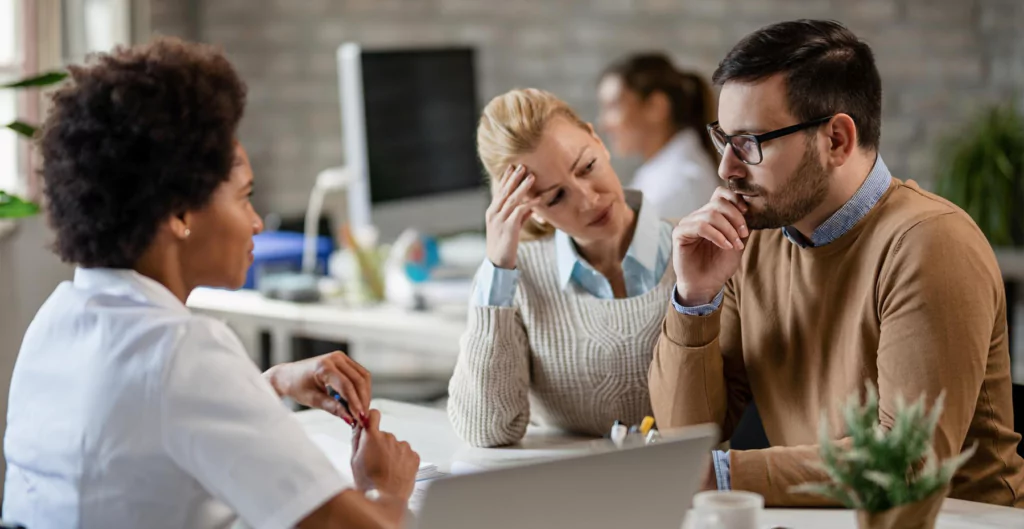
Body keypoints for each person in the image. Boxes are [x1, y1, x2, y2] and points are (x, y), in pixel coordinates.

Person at [2, 38, 421, 529]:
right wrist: (380, 485)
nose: (257, 224)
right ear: (180, 212)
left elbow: (147, 430)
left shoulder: (58, 320)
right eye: (244, 197)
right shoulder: (182, 350)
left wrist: (269, 385)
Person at [649, 19, 1024, 507]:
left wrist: (723, 474)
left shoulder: (929, 242)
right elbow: (687, 439)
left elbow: (906, 463)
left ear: (837, 140)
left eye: (750, 143)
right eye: (725, 139)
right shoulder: (751, 243)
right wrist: (695, 299)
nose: (726, 168)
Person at [447, 88, 677, 447]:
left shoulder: (697, 250)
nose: (588, 200)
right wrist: (498, 269)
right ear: (528, 209)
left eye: (587, 167)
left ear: (598, 141)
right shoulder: (517, 278)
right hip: (568, 489)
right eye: (555, 196)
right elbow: (487, 430)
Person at [598, 53, 720, 219]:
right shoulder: (662, 173)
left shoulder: (678, 185)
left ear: (656, 106)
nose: (604, 124)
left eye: (613, 107)